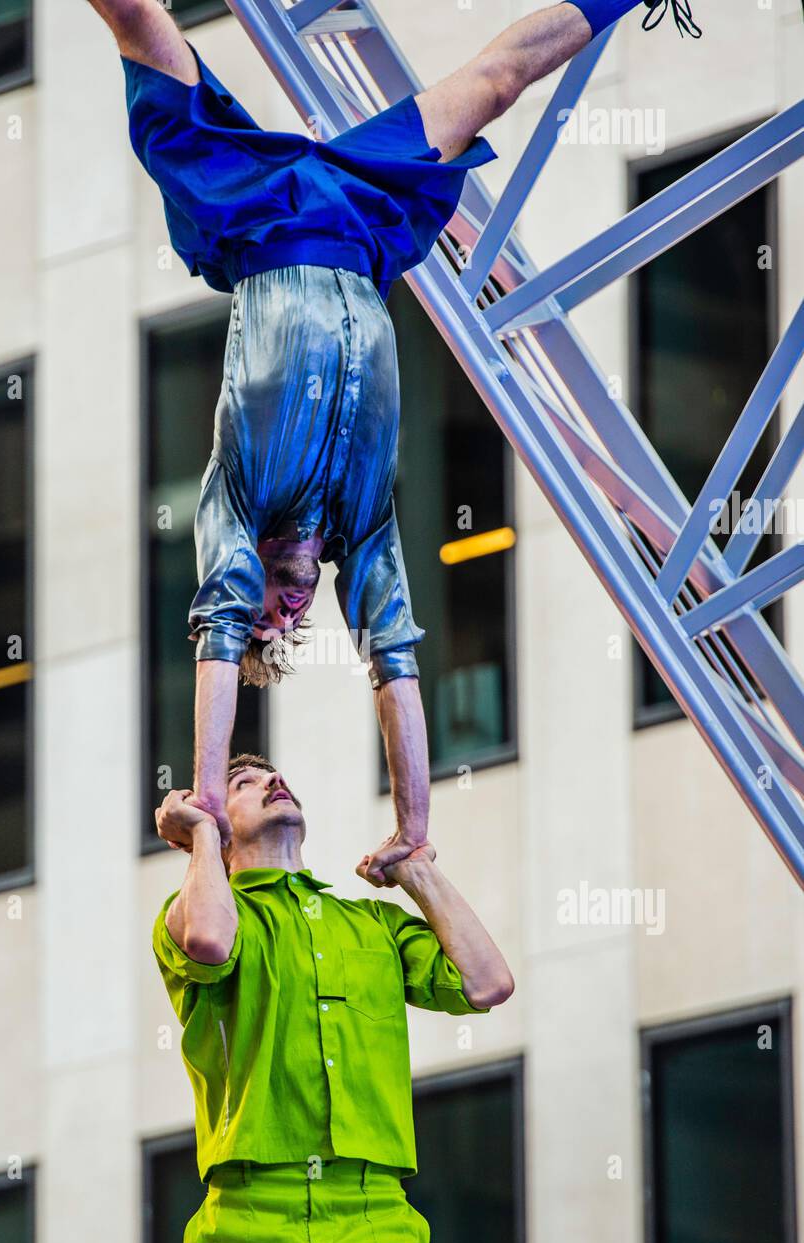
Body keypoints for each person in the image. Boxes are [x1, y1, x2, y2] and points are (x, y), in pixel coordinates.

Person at [86, 0, 695, 882]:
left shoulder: (237, 503)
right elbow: (394, 660)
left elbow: (215, 636)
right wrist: (413, 827)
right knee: (495, 83)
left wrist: (210, 799)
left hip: (253, 221)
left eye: (266, 615)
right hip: (363, 223)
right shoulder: (359, 529)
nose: (285, 612)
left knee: (141, 27)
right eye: (291, 626)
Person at [152, 755, 514, 1243]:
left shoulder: (374, 924)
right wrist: (202, 832)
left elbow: (487, 983)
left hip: (375, 1214)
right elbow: (208, 941)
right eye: (243, 785)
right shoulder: (188, 916)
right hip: (246, 1219)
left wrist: (419, 872)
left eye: (274, 777)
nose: (274, 782)